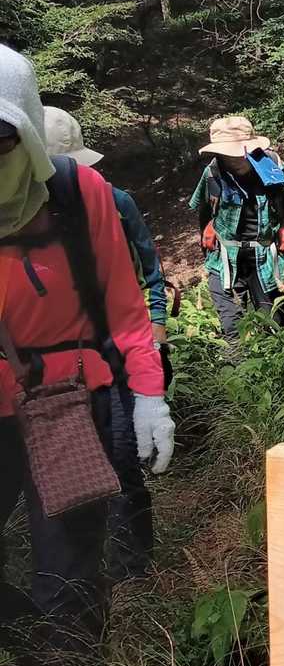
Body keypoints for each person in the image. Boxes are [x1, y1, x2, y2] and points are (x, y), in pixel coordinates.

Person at [0, 46, 174, 666]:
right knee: (48, 589)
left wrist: (149, 397)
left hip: (70, 404)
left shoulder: (81, 194)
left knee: (66, 572)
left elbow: (128, 312)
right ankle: (32, 649)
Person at [44, 106, 169, 581]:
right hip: (57, 367)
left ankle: (132, 568)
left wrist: (156, 327)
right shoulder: (16, 216)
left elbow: (151, 269)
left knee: (124, 463)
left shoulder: (114, 201)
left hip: (116, 352)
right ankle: (82, 571)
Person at [189, 115, 284, 339]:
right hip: (225, 260)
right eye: (226, 153)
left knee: (276, 327)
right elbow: (204, 216)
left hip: (265, 259)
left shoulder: (275, 169)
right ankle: (238, 362)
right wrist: (208, 255)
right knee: (232, 329)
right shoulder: (212, 173)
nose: (232, 158)